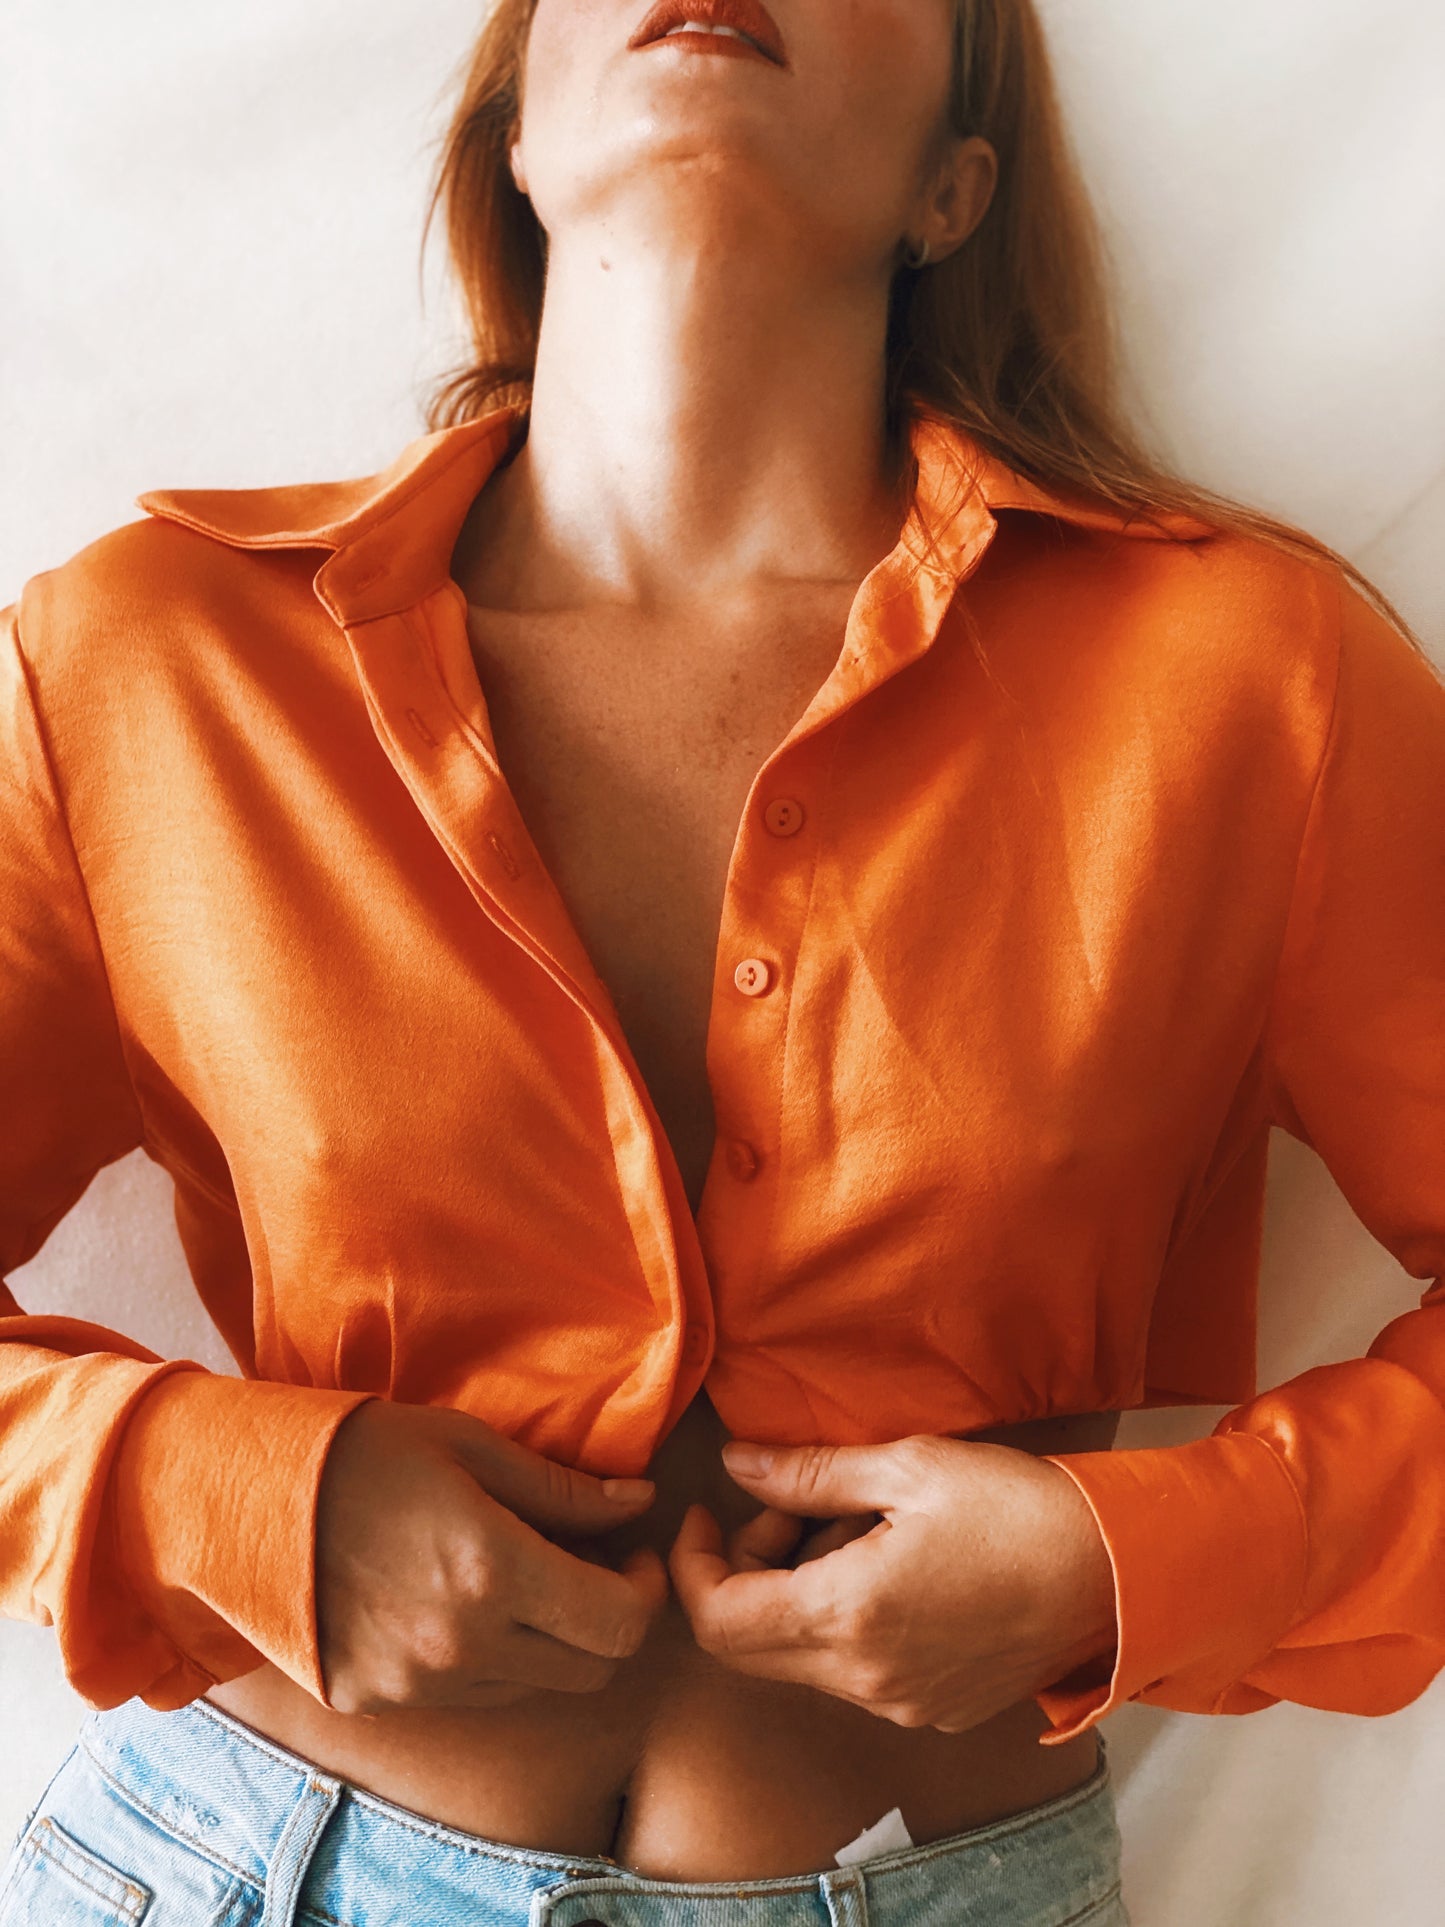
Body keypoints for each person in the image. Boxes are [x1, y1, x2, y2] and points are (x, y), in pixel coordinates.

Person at [2, 1, 1442, 1923]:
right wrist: (232, 1497)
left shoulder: (1257, 682)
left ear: (955, 181)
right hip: (246, 1859)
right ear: (512, 135)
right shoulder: (140, 666)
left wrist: (1124, 1562)